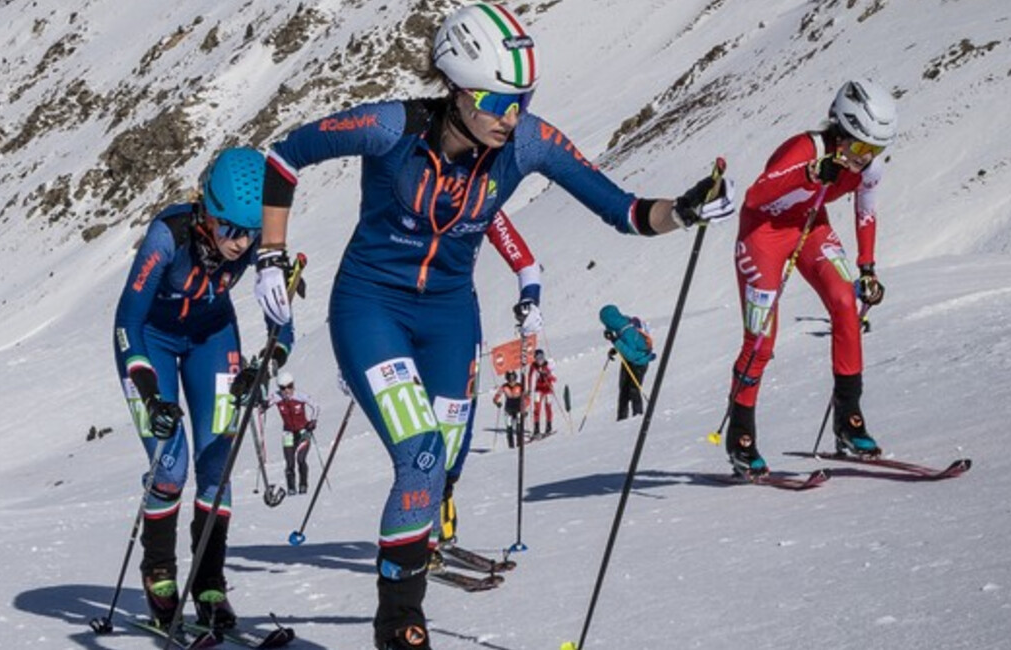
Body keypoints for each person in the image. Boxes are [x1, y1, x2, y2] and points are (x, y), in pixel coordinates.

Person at [255, 4, 733, 647]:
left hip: (451, 314)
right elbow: (286, 156)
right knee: (421, 455)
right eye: (496, 100)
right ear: (455, 87)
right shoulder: (390, 125)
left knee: (445, 463)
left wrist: (684, 209)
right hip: (371, 306)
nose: (511, 116)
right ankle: (400, 623)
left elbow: (622, 210)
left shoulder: (529, 141)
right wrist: (270, 255)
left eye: (521, 99)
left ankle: (418, 548)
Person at [112, 147, 293, 630]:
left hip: (212, 338)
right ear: (207, 213)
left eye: (252, 233)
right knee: (170, 466)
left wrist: (268, 362)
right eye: (232, 229)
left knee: (217, 462)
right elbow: (126, 321)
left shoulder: (255, 243)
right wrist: (151, 394)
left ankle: (209, 582)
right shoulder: (165, 237)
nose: (242, 244)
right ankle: (159, 574)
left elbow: (283, 323)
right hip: (151, 342)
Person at [724, 79, 895, 475]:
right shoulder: (805, 148)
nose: (863, 158)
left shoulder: (869, 168)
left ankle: (849, 419)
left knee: (845, 303)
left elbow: (865, 211)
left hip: (811, 225)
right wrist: (810, 173)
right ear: (840, 129)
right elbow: (755, 196)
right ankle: (741, 435)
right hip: (763, 235)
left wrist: (867, 266)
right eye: (858, 147)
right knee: (761, 340)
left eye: (874, 150)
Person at [599, 304, 656, 421]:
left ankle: (638, 416)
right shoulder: (622, 325)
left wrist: (615, 341)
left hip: (639, 362)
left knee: (633, 390)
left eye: (605, 322)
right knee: (623, 390)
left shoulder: (628, 331)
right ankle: (621, 418)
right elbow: (627, 345)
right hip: (630, 361)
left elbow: (631, 354)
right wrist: (615, 348)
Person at [266, 371, 320, 495]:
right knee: (289, 463)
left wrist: (313, 421)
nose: (287, 390)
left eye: (289, 386)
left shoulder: (300, 396)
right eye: (283, 388)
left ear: (293, 385)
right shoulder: (276, 397)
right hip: (288, 433)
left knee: (301, 459)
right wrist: (262, 405)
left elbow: (316, 407)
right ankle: (291, 488)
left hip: (303, 432)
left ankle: (303, 485)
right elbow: (263, 405)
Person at [527, 349, 558, 437]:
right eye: (537, 358)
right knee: (537, 408)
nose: (540, 360)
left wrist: (547, 374)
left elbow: (554, 378)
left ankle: (549, 426)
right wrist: (530, 389)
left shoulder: (549, 364)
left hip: (548, 388)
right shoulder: (533, 366)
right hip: (539, 389)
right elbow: (531, 377)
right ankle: (536, 428)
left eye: (541, 357)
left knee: (548, 407)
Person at [492, 371, 527, 448]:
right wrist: (497, 402)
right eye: (510, 379)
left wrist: (524, 409)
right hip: (508, 409)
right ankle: (511, 445)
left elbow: (526, 398)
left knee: (519, 426)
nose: (511, 381)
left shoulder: (520, 386)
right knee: (509, 427)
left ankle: (519, 443)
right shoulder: (504, 387)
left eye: (513, 378)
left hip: (518, 408)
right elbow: (496, 396)